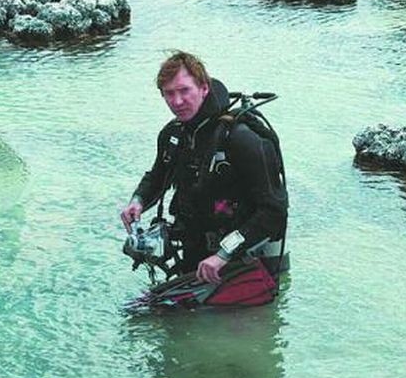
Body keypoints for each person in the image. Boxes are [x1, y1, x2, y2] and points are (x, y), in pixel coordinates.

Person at [120, 51, 288, 295]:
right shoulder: (174, 134)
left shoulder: (243, 139)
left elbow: (274, 212)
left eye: (184, 90)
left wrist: (224, 253)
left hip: (247, 260)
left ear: (204, 88)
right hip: (196, 253)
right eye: (169, 93)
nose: (177, 101)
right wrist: (138, 201)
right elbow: (158, 174)